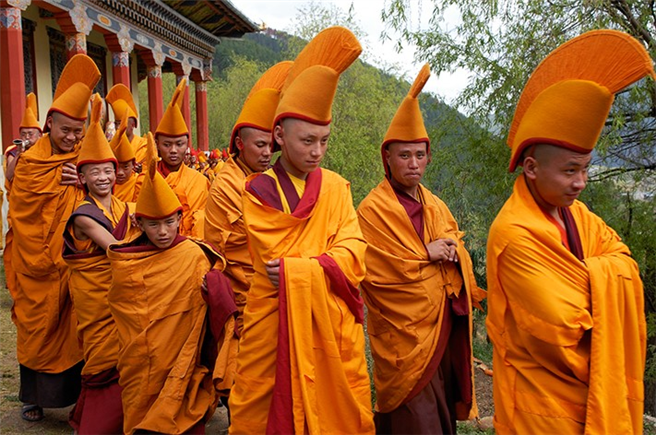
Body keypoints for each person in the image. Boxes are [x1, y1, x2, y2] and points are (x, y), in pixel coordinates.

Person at [486, 30, 652, 435]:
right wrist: (601, 277)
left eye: (586, 167)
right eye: (570, 170)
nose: (581, 182)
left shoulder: (577, 214)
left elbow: (622, 258)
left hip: (593, 397)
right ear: (531, 168)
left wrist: (590, 279)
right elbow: (563, 330)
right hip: (540, 409)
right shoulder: (514, 235)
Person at [228, 26, 375, 435]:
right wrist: (321, 262)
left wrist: (307, 266)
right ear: (278, 134)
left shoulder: (336, 186)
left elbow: (354, 246)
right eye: (307, 140)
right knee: (262, 410)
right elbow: (274, 260)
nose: (317, 152)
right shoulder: (258, 190)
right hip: (272, 323)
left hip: (330, 322)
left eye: (324, 141)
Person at [357, 64, 485, 435]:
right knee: (416, 415)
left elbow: (455, 249)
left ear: (429, 157)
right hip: (403, 334)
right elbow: (373, 268)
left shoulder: (436, 204)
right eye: (403, 155)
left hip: (440, 325)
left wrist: (454, 254)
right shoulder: (372, 209)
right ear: (387, 159)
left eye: (419, 155)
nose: (412, 164)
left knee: (440, 405)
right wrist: (425, 255)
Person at [108, 133, 232, 435]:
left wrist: (213, 289)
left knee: (180, 407)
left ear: (180, 218)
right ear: (139, 223)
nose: (163, 232)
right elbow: (124, 306)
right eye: (153, 224)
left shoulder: (193, 254)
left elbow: (212, 302)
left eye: (169, 222)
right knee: (142, 401)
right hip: (141, 359)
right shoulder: (126, 260)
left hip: (182, 355)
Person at [9, 54, 100, 422]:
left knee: (75, 326)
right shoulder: (32, 163)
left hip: (72, 260)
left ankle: (77, 397)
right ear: (49, 124)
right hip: (36, 264)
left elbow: (107, 190)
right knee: (35, 324)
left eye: (79, 132)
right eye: (66, 130)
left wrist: (84, 182)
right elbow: (22, 206)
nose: (72, 138)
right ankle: (33, 397)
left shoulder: (85, 157)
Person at [63, 94, 139, 434]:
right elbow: (116, 248)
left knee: (130, 360)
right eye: (95, 172)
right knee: (103, 362)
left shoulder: (126, 207)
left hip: (124, 296)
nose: (104, 177)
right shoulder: (82, 215)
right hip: (97, 301)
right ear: (83, 178)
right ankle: (95, 424)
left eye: (108, 170)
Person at [205, 60, 291, 336]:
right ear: (240, 144)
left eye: (271, 146)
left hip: (273, 283)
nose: (268, 153)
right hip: (243, 289)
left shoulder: (268, 178)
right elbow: (240, 247)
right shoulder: (227, 183)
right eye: (260, 145)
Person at [135, 78, 210, 238]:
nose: (174, 150)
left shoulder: (200, 182)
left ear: (187, 145)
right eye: (167, 144)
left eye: (179, 144)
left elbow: (204, 223)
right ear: (157, 145)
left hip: (191, 248)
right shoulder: (144, 180)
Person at [4, 92, 43, 294]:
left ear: (40, 135)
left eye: (31, 134)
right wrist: (20, 154)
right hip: (20, 208)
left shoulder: (45, 152)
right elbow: (10, 176)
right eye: (24, 133)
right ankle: (19, 282)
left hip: (40, 208)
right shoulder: (13, 151)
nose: (27, 138)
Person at [106, 83, 147, 168]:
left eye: (121, 123)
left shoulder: (143, 145)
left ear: (132, 125)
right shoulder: (112, 145)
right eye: (116, 123)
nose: (118, 128)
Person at [108, 111, 139, 202]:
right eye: (116, 168)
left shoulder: (138, 183)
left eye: (125, 167)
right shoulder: (103, 185)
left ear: (133, 165)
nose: (120, 173)